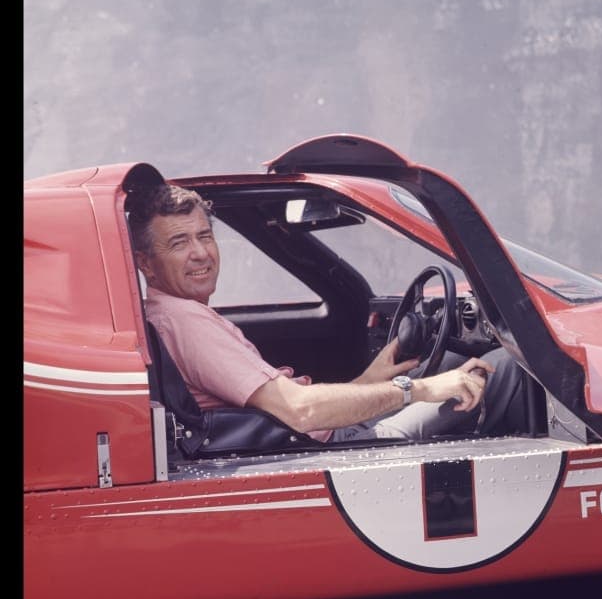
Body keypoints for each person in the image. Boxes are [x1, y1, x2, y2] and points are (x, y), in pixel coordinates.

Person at [126, 184, 529, 443]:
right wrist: (419, 389)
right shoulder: (184, 322)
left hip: (321, 435)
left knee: (457, 366)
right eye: (179, 243)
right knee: (507, 368)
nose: (200, 253)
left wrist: (365, 382)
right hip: (331, 450)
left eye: (204, 236)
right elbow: (300, 410)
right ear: (146, 263)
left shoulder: (174, 315)